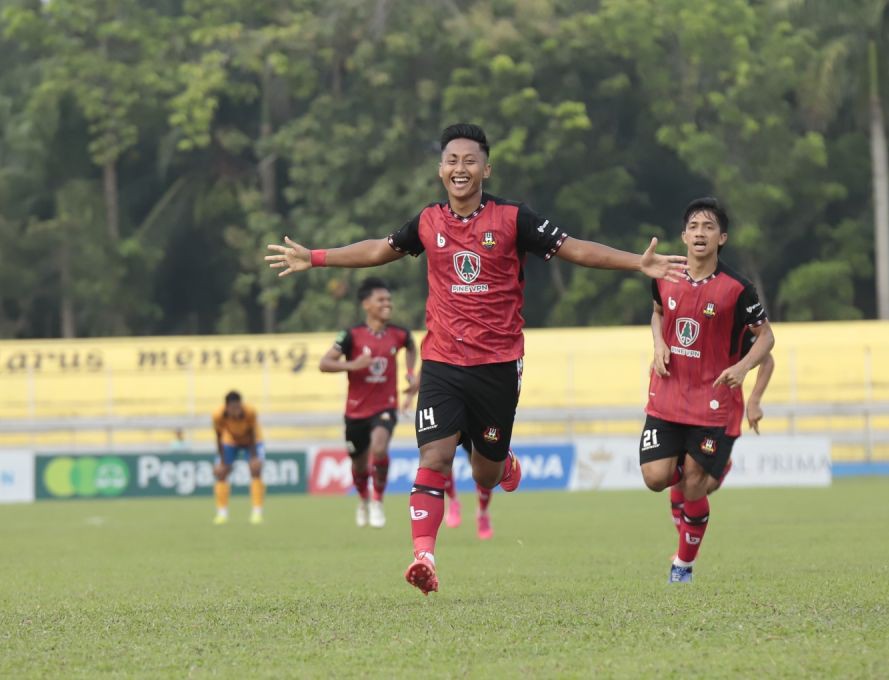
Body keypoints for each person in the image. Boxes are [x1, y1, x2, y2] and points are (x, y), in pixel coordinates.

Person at [267, 123, 686, 595]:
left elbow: (575, 248)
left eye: (470, 161)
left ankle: (501, 460)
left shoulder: (513, 218)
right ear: (440, 170)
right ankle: (423, 556)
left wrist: (638, 262)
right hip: (443, 362)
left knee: (485, 472)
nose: (460, 168)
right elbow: (378, 249)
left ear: (486, 168)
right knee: (435, 455)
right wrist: (316, 257)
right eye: (451, 161)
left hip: (498, 364)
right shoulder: (428, 221)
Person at [642, 197, 775, 583]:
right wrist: (658, 344)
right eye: (694, 227)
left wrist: (744, 374)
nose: (700, 233)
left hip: (712, 403)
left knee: (695, 485)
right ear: (684, 235)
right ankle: (696, 473)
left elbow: (767, 342)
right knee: (655, 478)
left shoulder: (737, 290)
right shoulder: (665, 274)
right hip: (667, 394)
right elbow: (657, 313)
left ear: (722, 238)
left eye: (709, 228)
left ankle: (682, 566)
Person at [319, 277, 418, 529]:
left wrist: (410, 373)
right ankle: (363, 500)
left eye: (389, 300)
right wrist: (353, 365)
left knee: (380, 447)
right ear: (366, 304)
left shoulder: (398, 333)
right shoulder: (351, 336)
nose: (388, 304)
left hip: (385, 406)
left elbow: (411, 345)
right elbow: (325, 363)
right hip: (355, 412)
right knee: (359, 465)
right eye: (381, 300)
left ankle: (377, 501)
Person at [668, 329, 776, 532]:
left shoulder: (738, 327)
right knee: (683, 481)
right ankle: (684, 549)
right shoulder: (690, 317)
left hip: (724, 416)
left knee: (702, 486)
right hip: (689, 410)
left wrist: (754, 401)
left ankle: (723, 465)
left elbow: (767, 361)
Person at [212, 390, 266, 525]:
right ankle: (222, 513)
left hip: (252, 441)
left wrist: (254, 457)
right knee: (221, 472)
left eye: (238, 407)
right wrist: (223, 461)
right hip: (230, 441)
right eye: (233, 408)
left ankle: (257, 512)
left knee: (255, 468)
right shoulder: (218, 415)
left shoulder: (250, 412)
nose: (236, 411)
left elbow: (252, 433)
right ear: (227, 407)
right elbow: (218, 437)